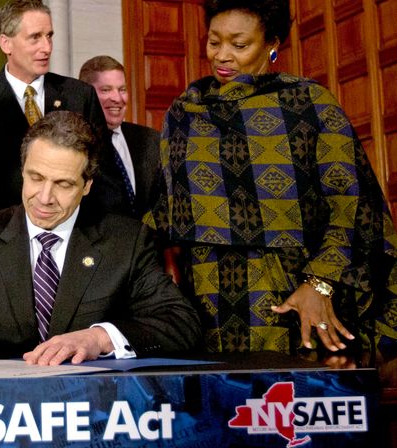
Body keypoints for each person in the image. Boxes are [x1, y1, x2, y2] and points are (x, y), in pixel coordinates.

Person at [145, 0, 397, 358]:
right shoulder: (185, 111)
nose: (223, 56)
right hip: (206, 299)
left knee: (292, 403)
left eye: (239, 44)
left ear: (272, 43)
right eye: (214, 42)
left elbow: (352, 202)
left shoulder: (310, 104)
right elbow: (165, 210)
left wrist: (319, 284)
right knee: (221, 406)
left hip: (295, 294)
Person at [0, 110, 201, 365]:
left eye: (63, 184)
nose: (45, 198)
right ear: (23, 170)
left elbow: (182, 322)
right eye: (36, 178)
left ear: (87, 185)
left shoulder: (125, 241)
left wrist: (99, 339)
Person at [0, 0, 130, 253]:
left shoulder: (79, 96)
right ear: (6, 43)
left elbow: (106, 180)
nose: (46, 47)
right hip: (5, 248)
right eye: (35, 38)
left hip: (75, 245)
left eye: (49, 36)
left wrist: (114, 246)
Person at [79, 55, 161, 219]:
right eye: (106, 90)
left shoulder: (150, 139)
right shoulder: (76, 142)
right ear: (85, 94)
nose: (117, 98)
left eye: (122, 89)